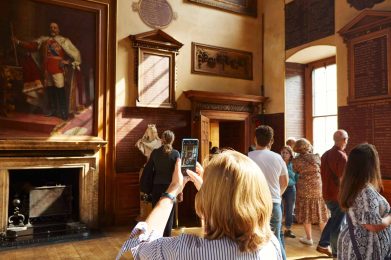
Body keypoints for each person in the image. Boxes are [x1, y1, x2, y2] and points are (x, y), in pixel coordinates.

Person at [117, 150, 282, 259]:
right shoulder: (271, 245)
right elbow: (222, 225)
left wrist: (171, 191)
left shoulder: (185, 250)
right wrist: (210, 193)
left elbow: (139, 247)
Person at [13, 22, 81, 120]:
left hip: (58, 69)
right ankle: (53, 110)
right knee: (51, 90)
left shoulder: (64, 40)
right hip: (47, 70)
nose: (53, 29)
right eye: (51, 27)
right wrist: (18, 42)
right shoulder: (44, 40)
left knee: (60, 90)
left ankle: (63, 112)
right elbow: (32, 46)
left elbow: (76, 54)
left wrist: (67, 61)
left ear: (58, 30)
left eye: (55, 27)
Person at [338, 143, 391, 260]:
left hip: (356, 244)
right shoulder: (365, 190)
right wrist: (389, 217)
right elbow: (372, 225)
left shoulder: (352, 185)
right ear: (370, 165)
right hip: (365, 249)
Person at [249, 125, 288, 260]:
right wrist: (277, 195)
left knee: (253, 240)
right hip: (274, 203)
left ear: (255, 139)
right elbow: (285, 182)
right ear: (271, 141)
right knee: (275, 241)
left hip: (253, 204)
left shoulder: (247, 157)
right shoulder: (278, 158)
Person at [141, 130, 179, 237]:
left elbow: (148, 170)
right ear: (173, 140)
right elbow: (178, 173)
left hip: (156, 187)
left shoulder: (155, 152)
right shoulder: (176, 154)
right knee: (168, 216)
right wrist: (180, 191)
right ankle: (167, 239)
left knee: (156, 214)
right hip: (170, 189)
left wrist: (146, 187)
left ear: (162, 139)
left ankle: (156, 238)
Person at [316, 130, 348, 257]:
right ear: (344, 140)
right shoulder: (341, 156)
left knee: (334, 219)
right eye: (346, 139)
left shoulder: (325, 154)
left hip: (327, 194)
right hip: (338, 195)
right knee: (337, 225)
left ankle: (323, 244)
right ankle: (336, 253)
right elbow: (343, 178)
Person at [292, 138, 329, 246]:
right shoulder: (316, 157)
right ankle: (325, 240)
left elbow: (295, 170)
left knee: (305, 213)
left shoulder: (296, 160)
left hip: (303, 188)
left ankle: (309, 238)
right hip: (318, 188)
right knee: (321, 214)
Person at [280, 145, 298, 239]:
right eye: (283, 152)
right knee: (279, 208)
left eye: (287, 153)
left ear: (291, 154)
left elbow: (296, 176)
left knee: (290, 209)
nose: (284, 154)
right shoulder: (278, 162)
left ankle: (288, 229)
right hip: (279, 187)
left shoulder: (293, 164)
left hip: (291, 187)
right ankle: (278, 229)